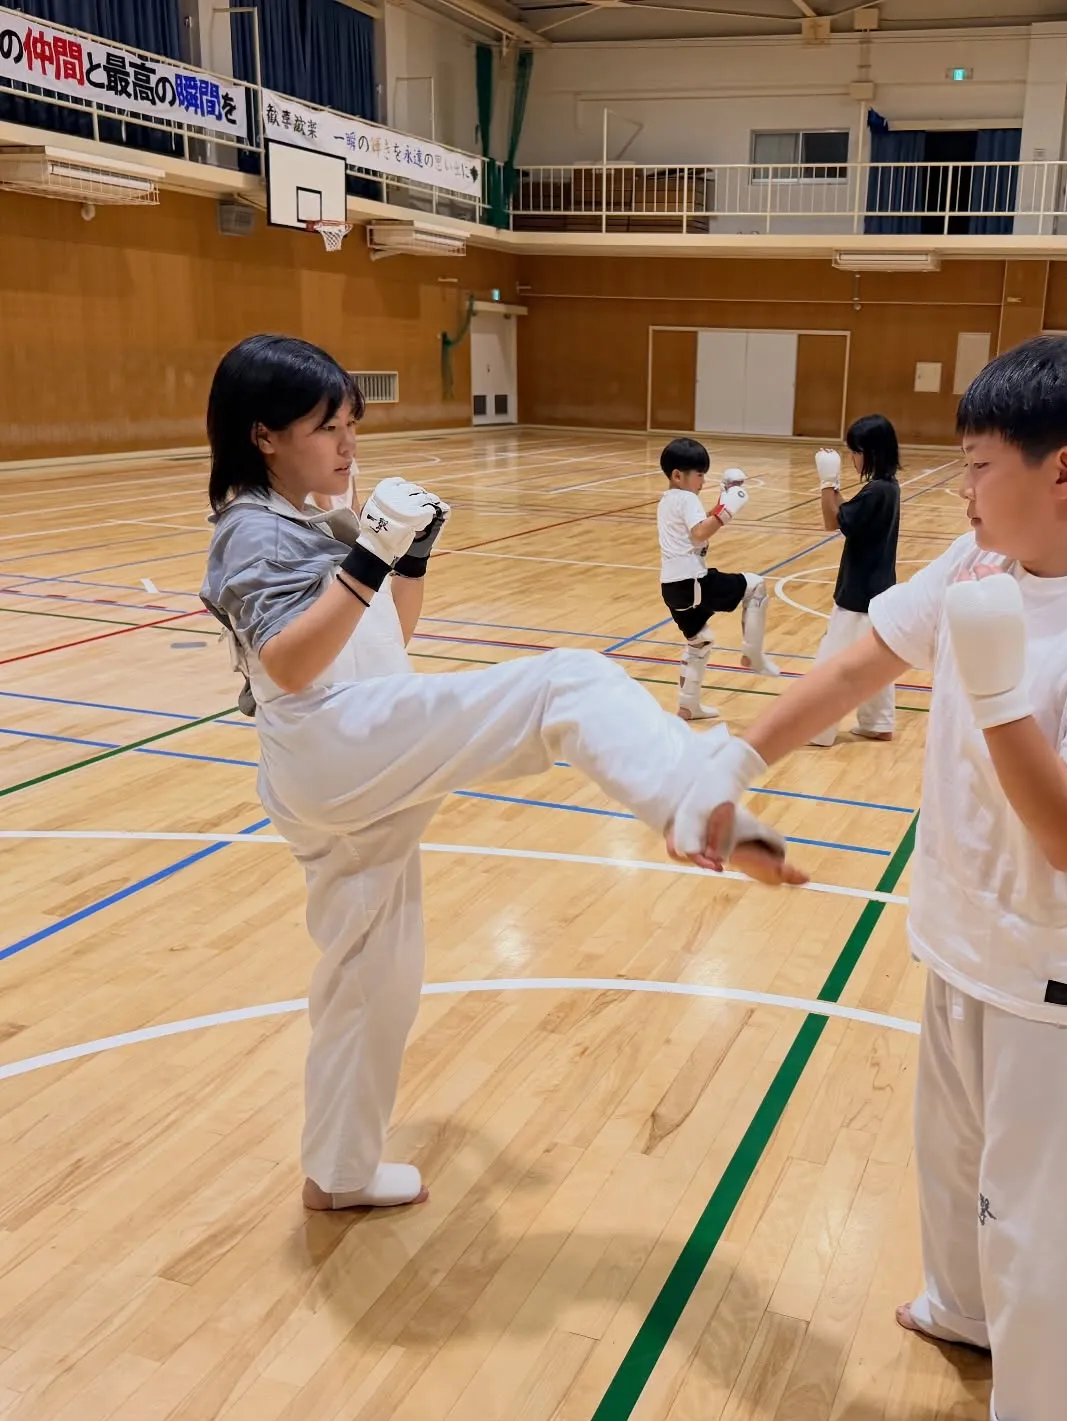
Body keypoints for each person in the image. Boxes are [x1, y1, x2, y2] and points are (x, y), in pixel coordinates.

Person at [668, 334, 1067, 1421]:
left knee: (1048, 1225)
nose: (962, 495)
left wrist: (1000, 695)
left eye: (979, 468)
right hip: (963, 934)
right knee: (953, 1164)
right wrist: (734, 762)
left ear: (1064, 474)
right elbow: (861, 664)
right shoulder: (979, 568)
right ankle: (964, 1309)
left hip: (1057, 973)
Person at [199, 335, 805, 1213]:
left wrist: (406, 557)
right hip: (335, 741)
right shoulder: (248, 528)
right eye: (329, 428)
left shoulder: (310, 512)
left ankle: (339, 1170)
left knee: (377, 979)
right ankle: (690, 805)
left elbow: (382, 636)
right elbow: (293, 664)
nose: (348, 446)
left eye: (351, 426)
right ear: (263, 435)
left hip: (356, 754)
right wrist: (371, 552)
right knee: (565, 682)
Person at [655, 437, 780, 722]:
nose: (702, 480)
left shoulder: (669, 500)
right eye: (699, 474)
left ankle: (688, 706)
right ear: (678, 475)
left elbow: (696, 525)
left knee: (699, 641)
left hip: (673, 588)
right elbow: (700, 532)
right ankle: (753, 655)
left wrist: (724, 498)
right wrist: (727, 510)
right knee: (756, 586)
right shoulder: (686, 498)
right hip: (693, 581)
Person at [810, 414, 902, 746]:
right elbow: (845, 516)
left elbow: (831, 521)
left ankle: (816, 728)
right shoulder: (887, 488)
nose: (853, 458)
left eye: (855, 451)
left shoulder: (876, 491)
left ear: (870, 451)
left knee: (832, 662)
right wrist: (833, 485)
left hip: (858, 593)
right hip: (878, 590)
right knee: (875, 663)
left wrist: (825, 483)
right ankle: (878, 722)